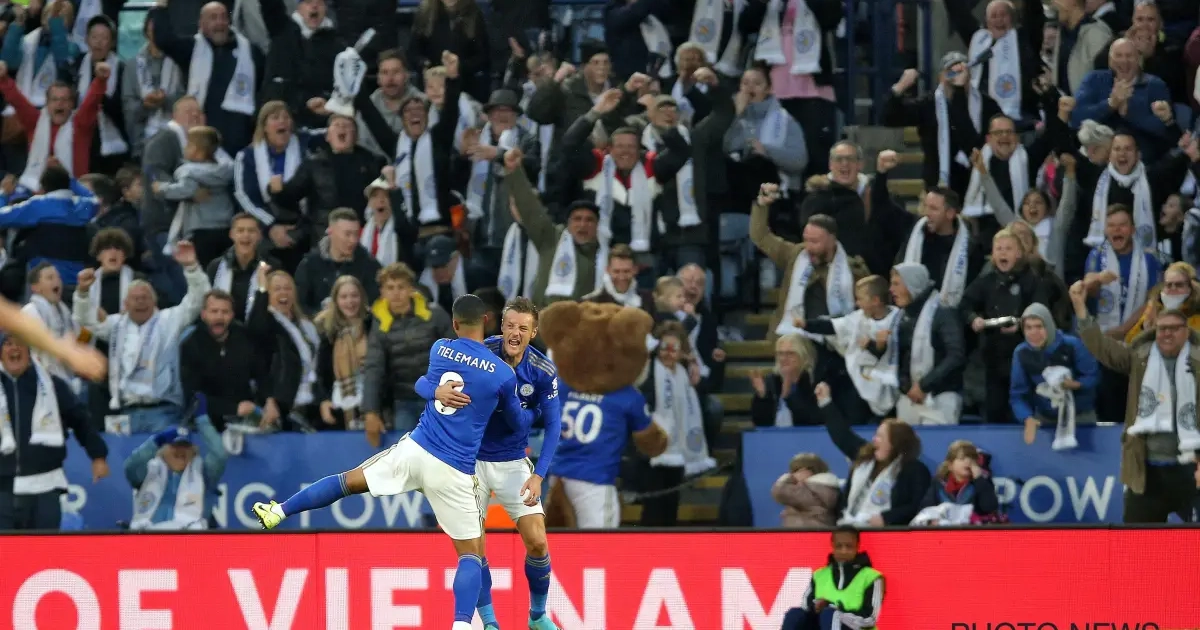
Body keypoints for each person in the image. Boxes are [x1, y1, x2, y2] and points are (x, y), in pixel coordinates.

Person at [253, 295, 536, 629]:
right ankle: (462, 625)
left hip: (415, 450)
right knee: (471, 554)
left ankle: (279, 511)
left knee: (347, 481)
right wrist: (526, 409)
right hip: (454, 469)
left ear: (454, 323)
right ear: (486, 321)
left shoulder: (441, 349)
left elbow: (423, 383)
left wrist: (436, 392)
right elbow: (518, 424)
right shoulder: (502, 374)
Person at [420, 297, 561, 630]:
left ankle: (537, 615)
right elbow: (426, 382)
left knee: (538, 541)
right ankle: (490, 622)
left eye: (523, 328)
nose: (515, 333)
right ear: (501, 326)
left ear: (533, 332)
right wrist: (436, 391)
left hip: (513, 462)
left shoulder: (542, 370)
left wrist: (539, 475)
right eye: (510, 325)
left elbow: (554, 425)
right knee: (474, 549)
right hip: (470, 462)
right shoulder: (480, 354)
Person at [780, 526, 884, 630]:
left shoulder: (871, 577)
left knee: (830, 615)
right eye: (839, 546)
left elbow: (870, 619)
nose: (843, 551)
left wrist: (837, 612)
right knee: (794, 614)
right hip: (825, 623)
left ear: (857, 546)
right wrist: (816, 607)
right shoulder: (819, 575)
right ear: (832, 546)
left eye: (849, 546)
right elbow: (806, 608)